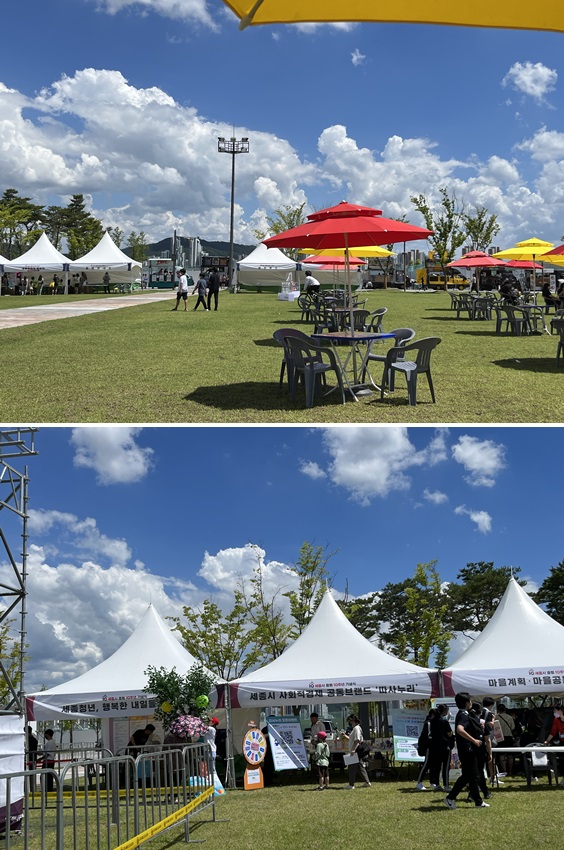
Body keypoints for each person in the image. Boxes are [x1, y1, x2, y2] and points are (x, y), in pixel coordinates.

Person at [443, 693, 490, 809]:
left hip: (467, 749)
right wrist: (474, 740)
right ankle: (450, 798)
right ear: (467, 703)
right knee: (469, 776)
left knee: (471, 776)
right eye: (470, 700)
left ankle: (478, 801)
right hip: (467, 750)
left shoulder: (465, 714)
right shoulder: (463, 715)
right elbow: (460, 729)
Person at [342, 714, 371, 790]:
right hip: (356, 751)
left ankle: (351, 785)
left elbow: (357, 741)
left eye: (350, 721)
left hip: (356, 751)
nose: (349, 723)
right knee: (360, 767)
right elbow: (352, 739)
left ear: (353, 721)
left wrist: (353, 750)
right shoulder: (355, 729)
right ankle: (367, 782)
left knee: (351, 767)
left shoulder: (356, 729)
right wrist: (345, 736)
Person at [428, 704, 453, 791]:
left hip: (435, 746)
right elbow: (449, 734)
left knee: (436, 766)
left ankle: (436, 784)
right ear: (445, 711)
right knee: (446, 767)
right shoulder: (444, 721)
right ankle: (446, 785)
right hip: (445, 746)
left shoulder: (432, 721)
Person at [416, 708, 436, 790]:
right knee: (426, 764)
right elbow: (428, 735)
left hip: (432, 747)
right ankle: (419, 782)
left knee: (432, 765)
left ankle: (432, 782)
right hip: (428, 747)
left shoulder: (432, 723)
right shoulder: (428, 723)